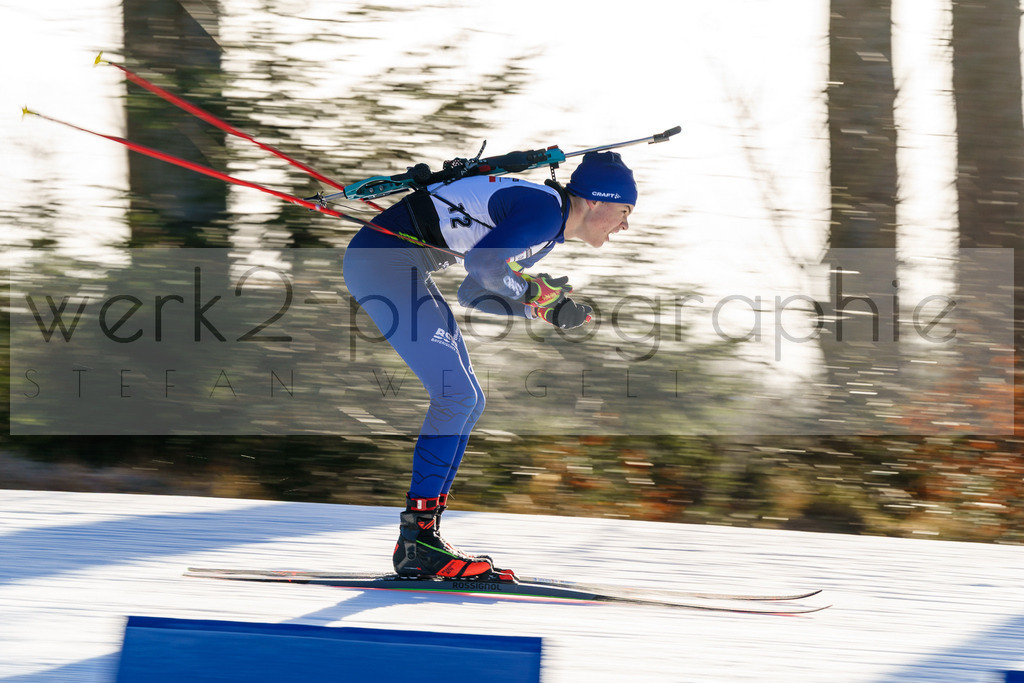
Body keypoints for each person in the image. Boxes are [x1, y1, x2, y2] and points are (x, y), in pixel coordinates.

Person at [342, 151, 637, 580]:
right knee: (456, 396)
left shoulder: (546, 230)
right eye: (624, 211)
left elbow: (473, 292)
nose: (625, 225)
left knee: (468, 400)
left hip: (396, 266)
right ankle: (419, 542)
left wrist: (543, 310)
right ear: (595, 201)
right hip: (384, 265)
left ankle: (421, 539)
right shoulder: (544, 210)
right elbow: (484, 267)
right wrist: (534, 294)